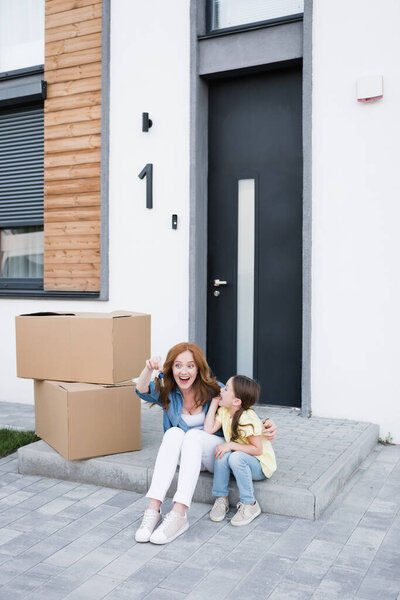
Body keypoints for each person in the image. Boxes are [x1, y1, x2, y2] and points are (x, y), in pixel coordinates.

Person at [134, 342, 277, 544]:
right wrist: (148, 368)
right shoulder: (168, 391)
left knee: (192, 436)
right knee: (174, 433)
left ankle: (179, 514)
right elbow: (141, 390)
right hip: (187, 457)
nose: (184, 371)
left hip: (214, 455)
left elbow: (243, 411)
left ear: (199, 369)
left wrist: (267, 423)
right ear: (171, 368)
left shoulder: (214, 390)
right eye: (178, 365)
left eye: (190, 366)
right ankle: (153, 509)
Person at [204, 375, 277, 526]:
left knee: (234, 456)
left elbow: (257, 449)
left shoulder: (246, 418)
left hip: (260, 465)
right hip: (242, 459)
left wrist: (230, 445)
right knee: (221, 452)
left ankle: (250, 504)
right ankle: (221, 499)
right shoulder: (224, 411)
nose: (221, 390)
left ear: (236, 401)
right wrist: (213, 403)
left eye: (226, 389)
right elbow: (208, 429)